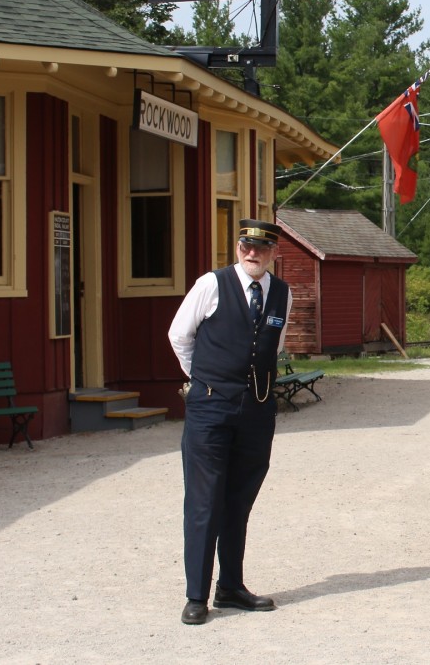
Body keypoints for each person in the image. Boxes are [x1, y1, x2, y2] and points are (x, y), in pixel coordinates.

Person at [168, 218, 293, 625]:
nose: (252, 254)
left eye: (261, 248)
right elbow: (179, 336)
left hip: (256, 410)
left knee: (239, 499)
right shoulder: (211, 284)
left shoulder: (281, 294)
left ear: (274, 251)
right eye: (245, 246)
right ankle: (196, 596)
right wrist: (205, 381)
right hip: (210, 408)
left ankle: (231, 587)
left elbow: (276, 345)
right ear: (237, 247)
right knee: (204, 501)